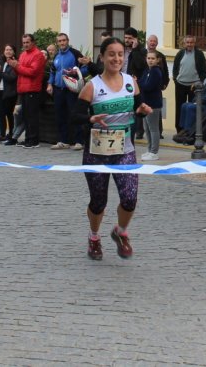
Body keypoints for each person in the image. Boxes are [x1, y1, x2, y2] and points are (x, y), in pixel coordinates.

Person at [71, 36, 153, 260]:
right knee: (98, 202)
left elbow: (138, 106)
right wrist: (90, 118)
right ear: (102, 57)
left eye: (120, 54)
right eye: (112, 54)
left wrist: (143, 109)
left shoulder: (130, 82)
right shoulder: (92, 86)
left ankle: (121, 232)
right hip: (97, 153)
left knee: (130, 198)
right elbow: (75, 115)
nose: (116, 58)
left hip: (125, 150)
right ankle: (94, 237)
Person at [49, 33, 85, 151]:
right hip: (58, 89)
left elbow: (85, 67)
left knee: (74, 115)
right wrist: (50, 84)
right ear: (57, 43)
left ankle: (79, 141)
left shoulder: (75, 53)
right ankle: (63, 141)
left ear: (68, 41)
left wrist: (76, 72)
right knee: (60, 115)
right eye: (59, 41)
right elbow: (53, 71)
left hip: (72, 90)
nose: (62, 43)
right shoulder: (56, 56)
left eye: (64, 40)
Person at [10, 33, 46, 148]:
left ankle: (34, 140)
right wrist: (14, 66)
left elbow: (32, 72)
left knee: (32, 116)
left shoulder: (38, 55)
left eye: (27, 42)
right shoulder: (22, 54)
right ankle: (28, 139)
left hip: (32, 89)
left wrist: (17, 66)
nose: (25, 44)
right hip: (23, 88)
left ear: (33, 42)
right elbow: (20, 71)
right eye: (24, 42)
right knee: (25, 116)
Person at [171, 34, 206, 135]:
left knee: (192, 109)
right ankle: (179, 130)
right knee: (179, 108)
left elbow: (203, 71)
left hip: (194, 87)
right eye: (188, 42)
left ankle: (191, 130)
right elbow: (175, 68)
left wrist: (199, 82)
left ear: (194, 43)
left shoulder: (199, 54)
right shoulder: (180, 54)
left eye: (191, 42)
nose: (189, 44)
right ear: (184, 43)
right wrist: (175, 79)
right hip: (180, 85)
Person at [138, 51, 165, 160]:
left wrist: (140, 83)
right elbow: (141, 82)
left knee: (153, 129)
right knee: (147, 128)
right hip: (145, 103)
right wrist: (140, 83)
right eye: (148, 58)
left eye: (152, 58)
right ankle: (149, 150)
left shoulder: (156, 71)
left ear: (157, 60)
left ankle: (154, 152)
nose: (150, 60)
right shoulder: (147, 70)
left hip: (153, 104)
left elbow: (148, 86)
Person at [0, 44, 18, 143]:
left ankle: (11, 134)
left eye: (10, 50)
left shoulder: (15, 62)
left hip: (10, 92)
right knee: (1, 114)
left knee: (9, 114)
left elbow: (12, 77)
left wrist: (1, 73)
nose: (8, 51)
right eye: (6, 50)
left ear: (13, 52)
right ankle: (2, 134)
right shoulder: (1, 61)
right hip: (0, 91)